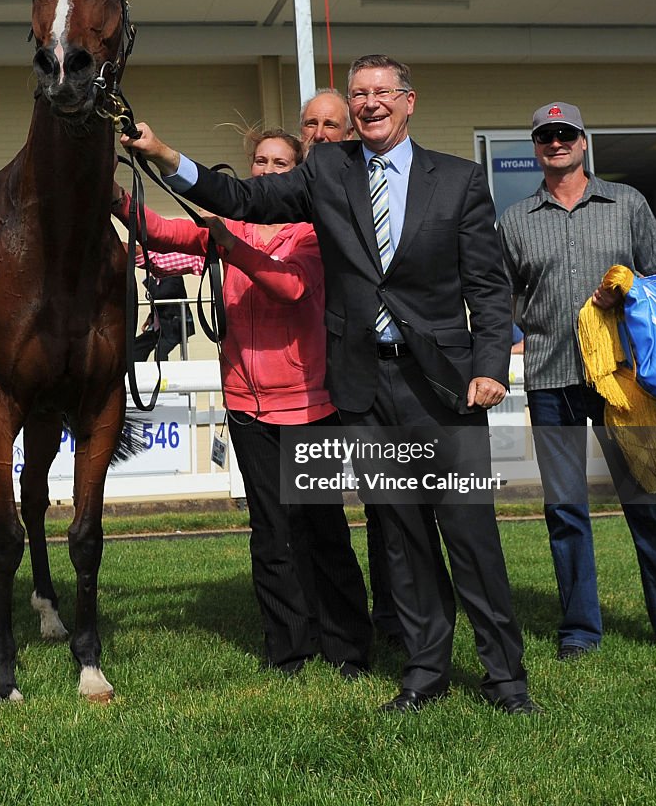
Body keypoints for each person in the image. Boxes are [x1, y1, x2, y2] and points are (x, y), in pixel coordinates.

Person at [121, 55, 537, 715]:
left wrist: (490, 366)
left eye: (380, 93)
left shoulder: (457, 180)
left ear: (408, 102)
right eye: (358, 94)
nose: (368, 103)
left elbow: (488, 288)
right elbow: (243, 199)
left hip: (442, 385)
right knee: (400, 540)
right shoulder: (324, 172)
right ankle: (423, 675)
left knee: (468, 535)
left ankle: (505, 681)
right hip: (365, 383)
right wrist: (165, 155)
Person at [113, 128, 372, 678]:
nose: (269, 170)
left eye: (281, 161)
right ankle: (289, 651)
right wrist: (116, 197)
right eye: (260, 160)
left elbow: (293, 288)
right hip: (247, 404)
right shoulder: (229, 226)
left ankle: (348, 646)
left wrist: (232, 247)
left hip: (308, 405)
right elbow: (161, 232)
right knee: (270, 533)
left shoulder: (314, 229)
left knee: (321, 530)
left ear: (299, 171)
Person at [499, 101, 656, 659]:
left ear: (583, 142)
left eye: (565, 134)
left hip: (624, 381)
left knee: (644, 500)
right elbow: (500, 298)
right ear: (536, 148)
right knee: (564, 507)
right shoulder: (514, 222)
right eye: (545, 136)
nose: (555, 143)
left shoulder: (627, 203)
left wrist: (626, 291)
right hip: (551, 377)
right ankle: (581, 631)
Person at [298, 88, 400, 647]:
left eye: (331, 124)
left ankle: (392, 617)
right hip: (310, 387)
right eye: (310, 124)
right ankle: (332, 622)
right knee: (319, 513)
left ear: (352, 133)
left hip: (366, 374)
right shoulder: (296, 189)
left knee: (388, 507)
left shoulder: (367, 188)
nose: (319, 134)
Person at [132, 273, 193, 361]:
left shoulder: (173, 277)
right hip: (160, 326)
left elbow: (159, 295)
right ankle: (138, 371)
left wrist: (149, 280)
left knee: (160, 352)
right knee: (136, 347)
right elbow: (161, 305)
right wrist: (150, 318)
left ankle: (163, 374)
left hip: (175, 326)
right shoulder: (159, 279)